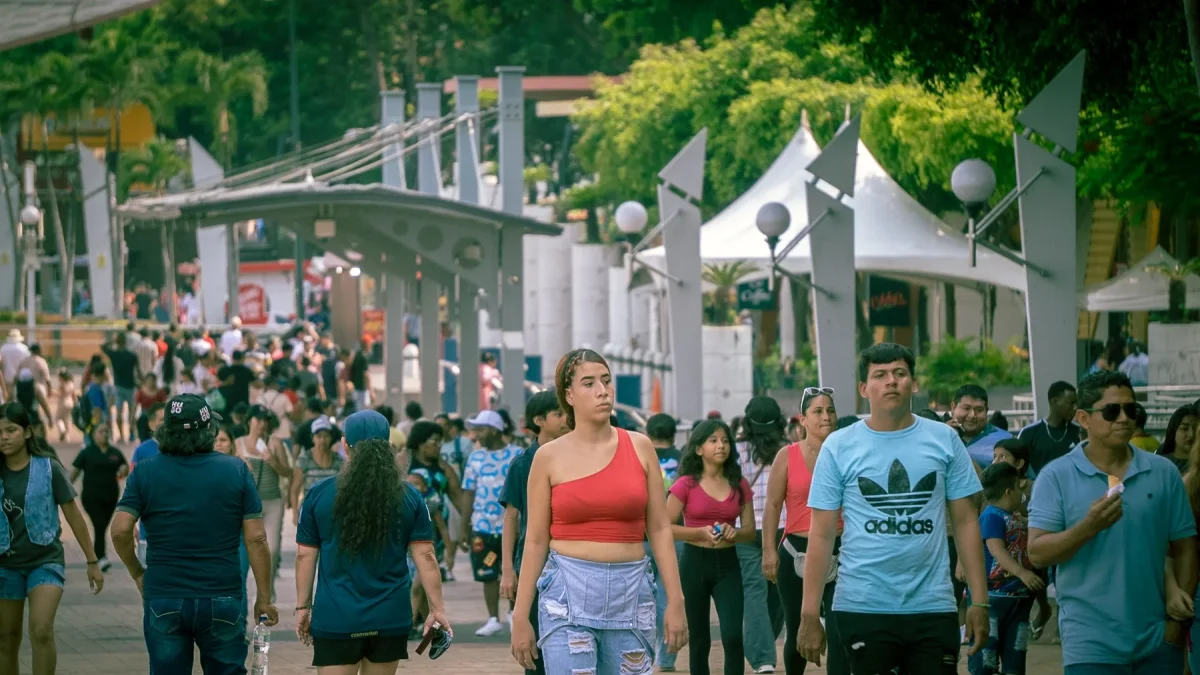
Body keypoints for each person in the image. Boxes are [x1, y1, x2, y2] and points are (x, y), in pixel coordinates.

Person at [798, 342, 990, 672]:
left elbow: (966, 522)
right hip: (863, 605)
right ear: (863, 388)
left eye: (900, 373)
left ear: (913, 383)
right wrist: (809, 613)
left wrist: (979, 601)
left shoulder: (943, 440)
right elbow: (822, 533)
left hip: (933, 606)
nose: (891, 381)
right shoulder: (840, 446)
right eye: (880, 375)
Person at [511, 348, 687, 673]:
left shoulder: (640, 446)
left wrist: (676, 600)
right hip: (566, 592)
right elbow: (534, 540)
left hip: (632, 593)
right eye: (589, 383)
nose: (602, 391)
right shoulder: (547, 457)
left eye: (606, 381)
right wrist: (520, 616)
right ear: (569, 395)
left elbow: (660, 529)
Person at [1029, 371, 1197, 673]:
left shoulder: (1163, 473)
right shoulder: (1056, 476)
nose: (1124, 418)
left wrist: (1175, 626)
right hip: (1090, 642)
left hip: (1157, 640)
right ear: (1083, 418)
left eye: (1131, 409)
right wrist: (1087, 528)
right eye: (1111, 411)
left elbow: (1185, 547)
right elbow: (1037, 553)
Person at [295, 410, 450, 674]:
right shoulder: (410, 496)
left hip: (336, 618)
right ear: (388, 446)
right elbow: (426, 557)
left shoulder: (319, 495)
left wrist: (302, 607)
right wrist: (437, 609)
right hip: (390, 617)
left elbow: (305, 557)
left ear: (344, 446)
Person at [0, 402, 104, 675]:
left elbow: (74, 515)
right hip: (5, 565)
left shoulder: (48, 468)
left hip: (44, 561)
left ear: (26, 432)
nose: (4, 437)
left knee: (41, 629)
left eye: (10, 430)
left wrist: (92, 561)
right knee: (7, 638)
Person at [762, 386, 846, 675]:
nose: (826, 416)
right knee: (797, 628)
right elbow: (772, 506)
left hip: (841, 552)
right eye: (818, 411)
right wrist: (768, 552)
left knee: (838, 633)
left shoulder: (846, 454)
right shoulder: (787, 456)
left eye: (831, 410)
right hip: (795, 553)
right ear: (803, 420)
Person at [667, 419, 755, 675]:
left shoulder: (740, 484)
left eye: (725, 440)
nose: (721, 446)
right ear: (698, 449)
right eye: (713, 441)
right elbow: (663, 527)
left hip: (728, 565)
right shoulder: (685, 484)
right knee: (700, 641)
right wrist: (698, 532)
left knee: (732, 638)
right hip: (694, 563)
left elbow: (749, 532)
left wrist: (733, 532)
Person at [498, 391, 570, 675]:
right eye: (559, 414)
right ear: (539, 420)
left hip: (570, 560)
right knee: (535, 647)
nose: (567, 419)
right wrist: (507, 570)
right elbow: (511, 517)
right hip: (533, 565)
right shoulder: (522, 463)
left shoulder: (577, 456)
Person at [969, 462, 1041, 675]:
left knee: (1016, 654)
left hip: (1017, 598)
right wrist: (1022, 573)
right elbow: (997, 550)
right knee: (986, 657)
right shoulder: (991, 516)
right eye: (1019, 489)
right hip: (992, 597)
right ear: (1009, 492)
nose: (1022, 494)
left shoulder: (1014, 517)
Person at [732, 396, 788, 674]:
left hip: (746, 528)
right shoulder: (790, 451)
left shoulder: (734, 450)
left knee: (754, 591)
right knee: (779, 591)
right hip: (782, 527)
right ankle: (765, 641)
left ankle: (763, 658)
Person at [460, 410, 522, 637]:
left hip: (512, 528)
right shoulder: (475, 458)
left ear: (495, 430)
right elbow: (468, 493)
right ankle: (493, 618)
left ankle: (514, 614)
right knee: (487, 572)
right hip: (482, 528)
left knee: (515, 571)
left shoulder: (517, 455)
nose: (477, 434)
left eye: (481, 429)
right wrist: (464, 527)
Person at [644, 412, 685, 671]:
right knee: (668, 598)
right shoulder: (684, 460)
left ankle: (639, 655)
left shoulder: (639, 456)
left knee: (640, 598)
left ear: (648, 434)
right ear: (673, 435)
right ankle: (667, 658)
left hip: (640, 536)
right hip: (675, 535)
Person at [238, 406, 291, 591]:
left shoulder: (274, 443)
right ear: (249, 420)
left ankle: (266, 589)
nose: (261, 424)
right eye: (257, 419)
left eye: (265, 420)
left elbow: (288, 472)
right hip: (246, 506)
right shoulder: (238, 444)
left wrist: (274, 462)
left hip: (271, 502)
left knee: (272, 548)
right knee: (246, 550)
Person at [70, 424, 129, 572]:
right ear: (94, 434)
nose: (104, 434)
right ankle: (101, 558)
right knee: (100, 525)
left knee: (102, 527)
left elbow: (124, 468)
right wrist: (65, 489)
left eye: (106, 431)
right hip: (91, 497)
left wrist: (123, 470)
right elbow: (75, 472)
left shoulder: (115, 452)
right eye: (100, 431)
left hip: (110, 497)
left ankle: (98, 558)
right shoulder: (87, 452)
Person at [1018, 381, 1081, 475]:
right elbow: (1018, 469)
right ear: (1054, 402)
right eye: (1071, 403)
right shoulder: (1028, 433)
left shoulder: (1080, 432)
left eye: (1076, 403)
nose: (1076, 407)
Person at [950, 384, 1013, 468]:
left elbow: (1027, 479)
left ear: (986, 411)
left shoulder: (1006, 440)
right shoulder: (938, 436)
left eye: (979, 410)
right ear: (953, 408)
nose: (972, 415)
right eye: (966, 408)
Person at [1156, 404, 1199, 473]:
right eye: (1184, 428)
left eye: (1196, 428)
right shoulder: (1160, 463)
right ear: (1173, 430)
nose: (1191, 434)